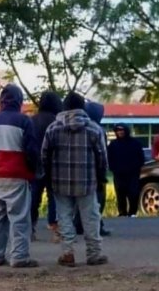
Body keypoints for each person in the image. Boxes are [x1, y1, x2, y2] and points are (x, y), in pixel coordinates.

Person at [42, 91, 108, 267]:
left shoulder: (53, 128)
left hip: (60, 181)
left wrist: (48, 177)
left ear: (64, 107)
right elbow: (102, 157)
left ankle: (68, 253)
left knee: (64, 217)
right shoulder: (94, 128)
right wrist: (101, 177)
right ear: (83, 107)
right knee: (91, 218)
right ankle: (94, 253)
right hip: (87, 181)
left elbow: (45, 156)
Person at [0, 84, 39, 268]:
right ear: (19, 100)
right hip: (18, 174)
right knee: (19, 218)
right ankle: (19, 256)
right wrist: (34, 171)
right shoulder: (24, 121)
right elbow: (31, 150)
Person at [74, 101, 111, 236]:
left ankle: (78, 224)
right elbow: (102, 153)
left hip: (78, 170)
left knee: (81, 199)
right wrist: (103, 172)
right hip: (94, 170)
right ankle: (97, 227)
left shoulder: (80, 127)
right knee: (98, 201)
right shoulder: (98, 130)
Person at [30, 91, 62, 243]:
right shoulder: (57, 121)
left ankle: (30, 228)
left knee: (33, 197)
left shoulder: (32, 120)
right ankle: (55, 229)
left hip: (35, 164)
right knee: (53, 197)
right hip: (54, 165)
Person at [108, 124, 146, 217]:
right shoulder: (113, 144)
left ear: (126, 131)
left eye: (122, 130)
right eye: (118, 130)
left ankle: (132, 212)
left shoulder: (135, 143)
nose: (120, 132)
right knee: (120, 193)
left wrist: (137, 167)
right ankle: (122, 212)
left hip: (133, 173)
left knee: (133, 192)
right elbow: (109, 157)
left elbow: (141, 157)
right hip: (118, 173)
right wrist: (113, 168)